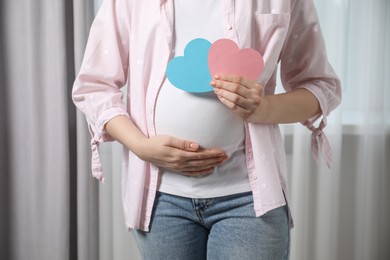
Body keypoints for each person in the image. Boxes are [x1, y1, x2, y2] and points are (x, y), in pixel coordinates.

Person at [72, 0, 341, 259]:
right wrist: (141, 147)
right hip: (161, 200)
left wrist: (264, 108)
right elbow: (95, 87)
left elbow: (321, 85)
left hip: (250, 199)